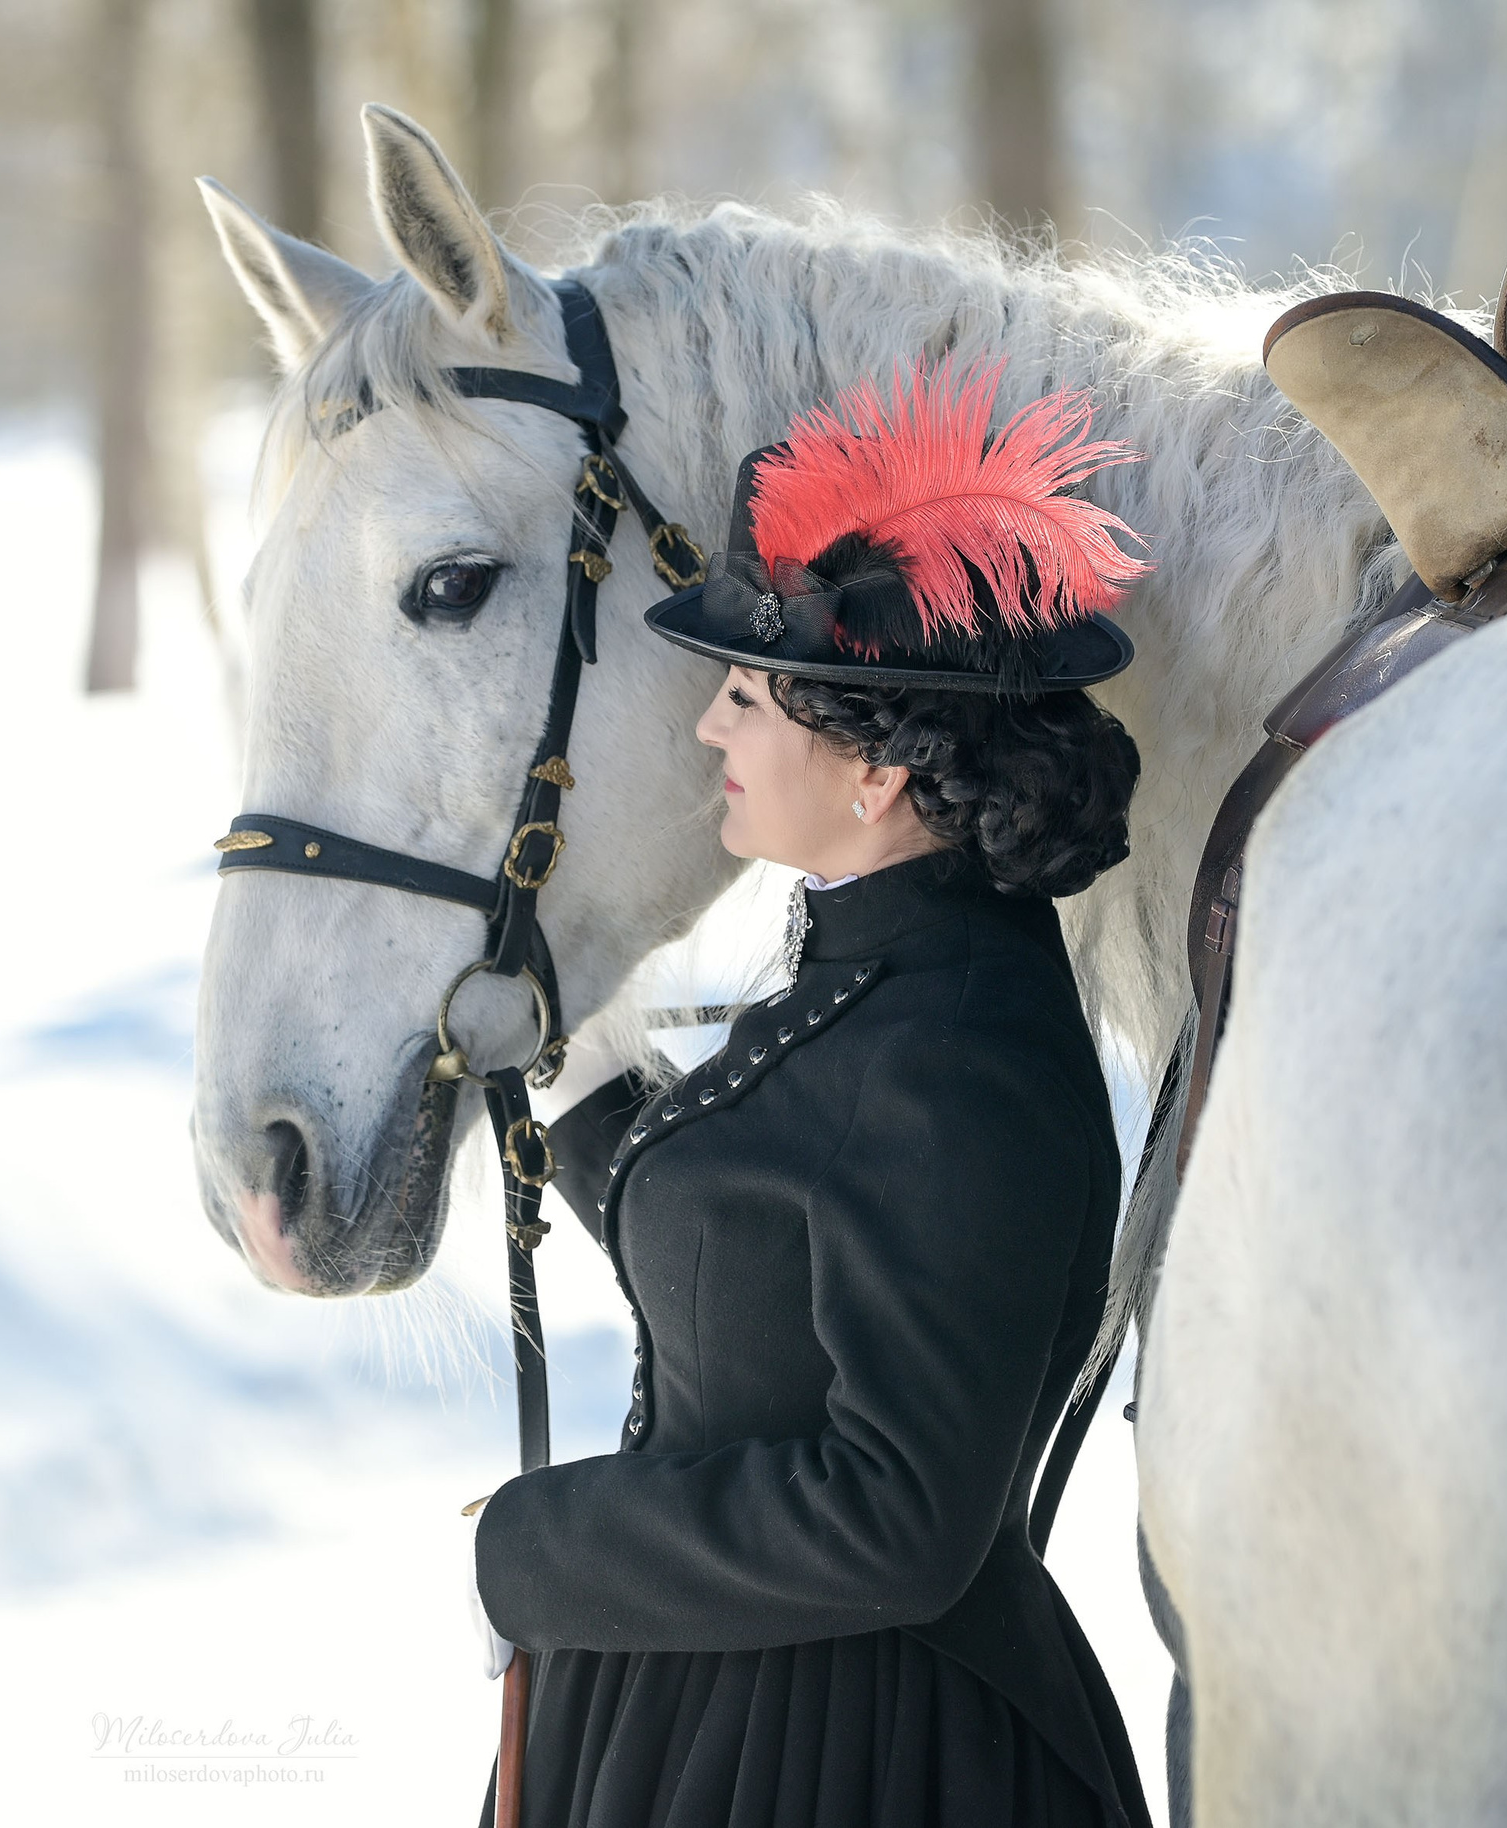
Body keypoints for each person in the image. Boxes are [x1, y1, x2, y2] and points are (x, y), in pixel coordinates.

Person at [471, 359, 1158, 1828]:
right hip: (737, 1711)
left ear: (876, 777)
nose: (709, 730)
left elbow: (898, 1519)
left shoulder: (963, 1064)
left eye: (743, 695)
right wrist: (583, 1089)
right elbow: (764, 1253)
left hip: (863, 1754)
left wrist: (542, 1550)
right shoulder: (884, 978)